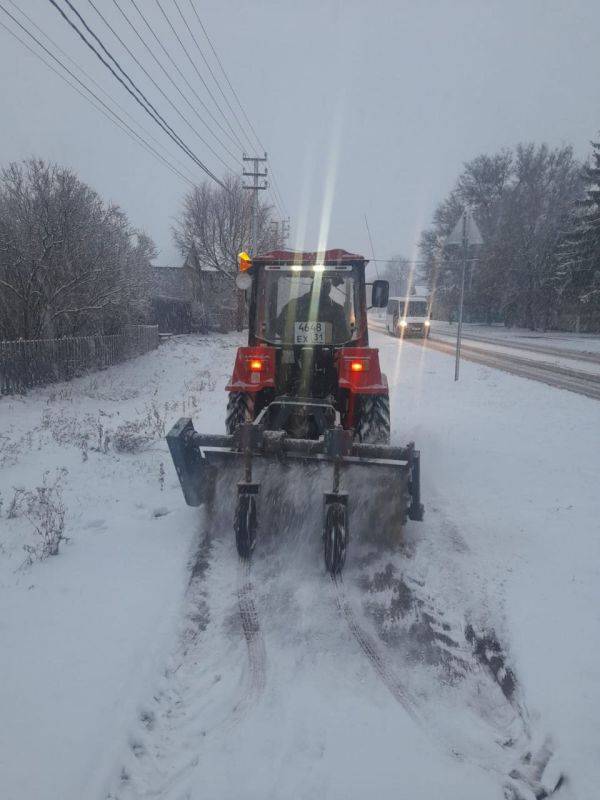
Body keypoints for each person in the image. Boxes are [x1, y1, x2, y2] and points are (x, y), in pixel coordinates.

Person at [276, 277, 350, 342]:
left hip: (294, 353)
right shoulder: (337, 309)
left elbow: (279, 328)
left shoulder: (293, 305)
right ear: (329, 290)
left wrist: (295, 337)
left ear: (312, 287)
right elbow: (343, 336)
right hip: (329, 354)